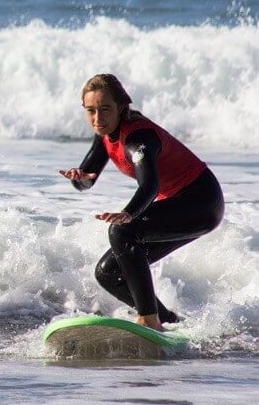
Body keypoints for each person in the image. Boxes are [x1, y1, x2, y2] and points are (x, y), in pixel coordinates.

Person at [59, 74, 224, 331]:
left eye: (105, 110)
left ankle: (149, 319)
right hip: (180, 205)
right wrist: (79, 179)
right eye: (90, 111)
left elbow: (150, 186)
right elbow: (88, 179)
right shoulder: (104, 133)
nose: (98, 119)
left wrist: (129, 213)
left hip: (201, 202)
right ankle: (168, 320)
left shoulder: (138, 139)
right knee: (108, 273)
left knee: (122, 231)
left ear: (121, 108)